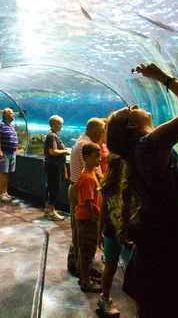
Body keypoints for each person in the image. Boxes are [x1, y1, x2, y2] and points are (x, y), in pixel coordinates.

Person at [106, 63, 178, 317]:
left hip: (160, 252)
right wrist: (162, 78)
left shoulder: (145, 151)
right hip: (171, 257)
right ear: (132, 126)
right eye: (130, 110)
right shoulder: (148, 146)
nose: (135, 106)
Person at [68, 117, 106, 277]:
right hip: (82, 193)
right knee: (83, 234)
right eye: (103, 131)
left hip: (78, 190)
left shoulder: (82, 140)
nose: (104, 134)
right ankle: (83, 271)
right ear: (96, 131)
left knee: (78, 231)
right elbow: (94, 171)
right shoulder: (86, 145)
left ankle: (76, 265)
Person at [96, 154, 133, 316]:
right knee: (110, 267)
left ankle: (106, 297)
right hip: (112, 233)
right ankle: (105, 297)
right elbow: (103, 212)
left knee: (113, 268)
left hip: (128, 234)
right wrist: (100, 234)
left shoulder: (130, 186)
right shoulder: (108, 188)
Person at [74, 142, 102, 293]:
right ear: (86, 157)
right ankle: (86, 281)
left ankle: (86, 275)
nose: (99, 159)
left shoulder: (87, 173)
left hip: (83, 218)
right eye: (96, 156)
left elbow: (74, 189)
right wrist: (93, 217)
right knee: (87, 251)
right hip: (87, 220)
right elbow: (87, 201)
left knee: (87, 249)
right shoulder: (88, 178)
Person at [43, 115, 71, 221]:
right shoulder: (52, 136)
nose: (61, 126)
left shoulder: (51, 134)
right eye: (60, 124)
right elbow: (53, 151)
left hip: (51, 165)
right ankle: (52, 211)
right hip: (54, 165)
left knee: (49, 187)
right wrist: (65, 151)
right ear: (53, 124)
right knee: (54, 188)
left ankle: (48, 209)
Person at [0, 108, 18, 203]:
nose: (14, 115)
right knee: (3, 173)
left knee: (7, 174)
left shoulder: (10, 126)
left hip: (11, 153)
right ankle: (1, 194)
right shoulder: (1, 125)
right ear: (6, 115)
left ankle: (5, 193)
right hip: (4, 152)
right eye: (12, 114)